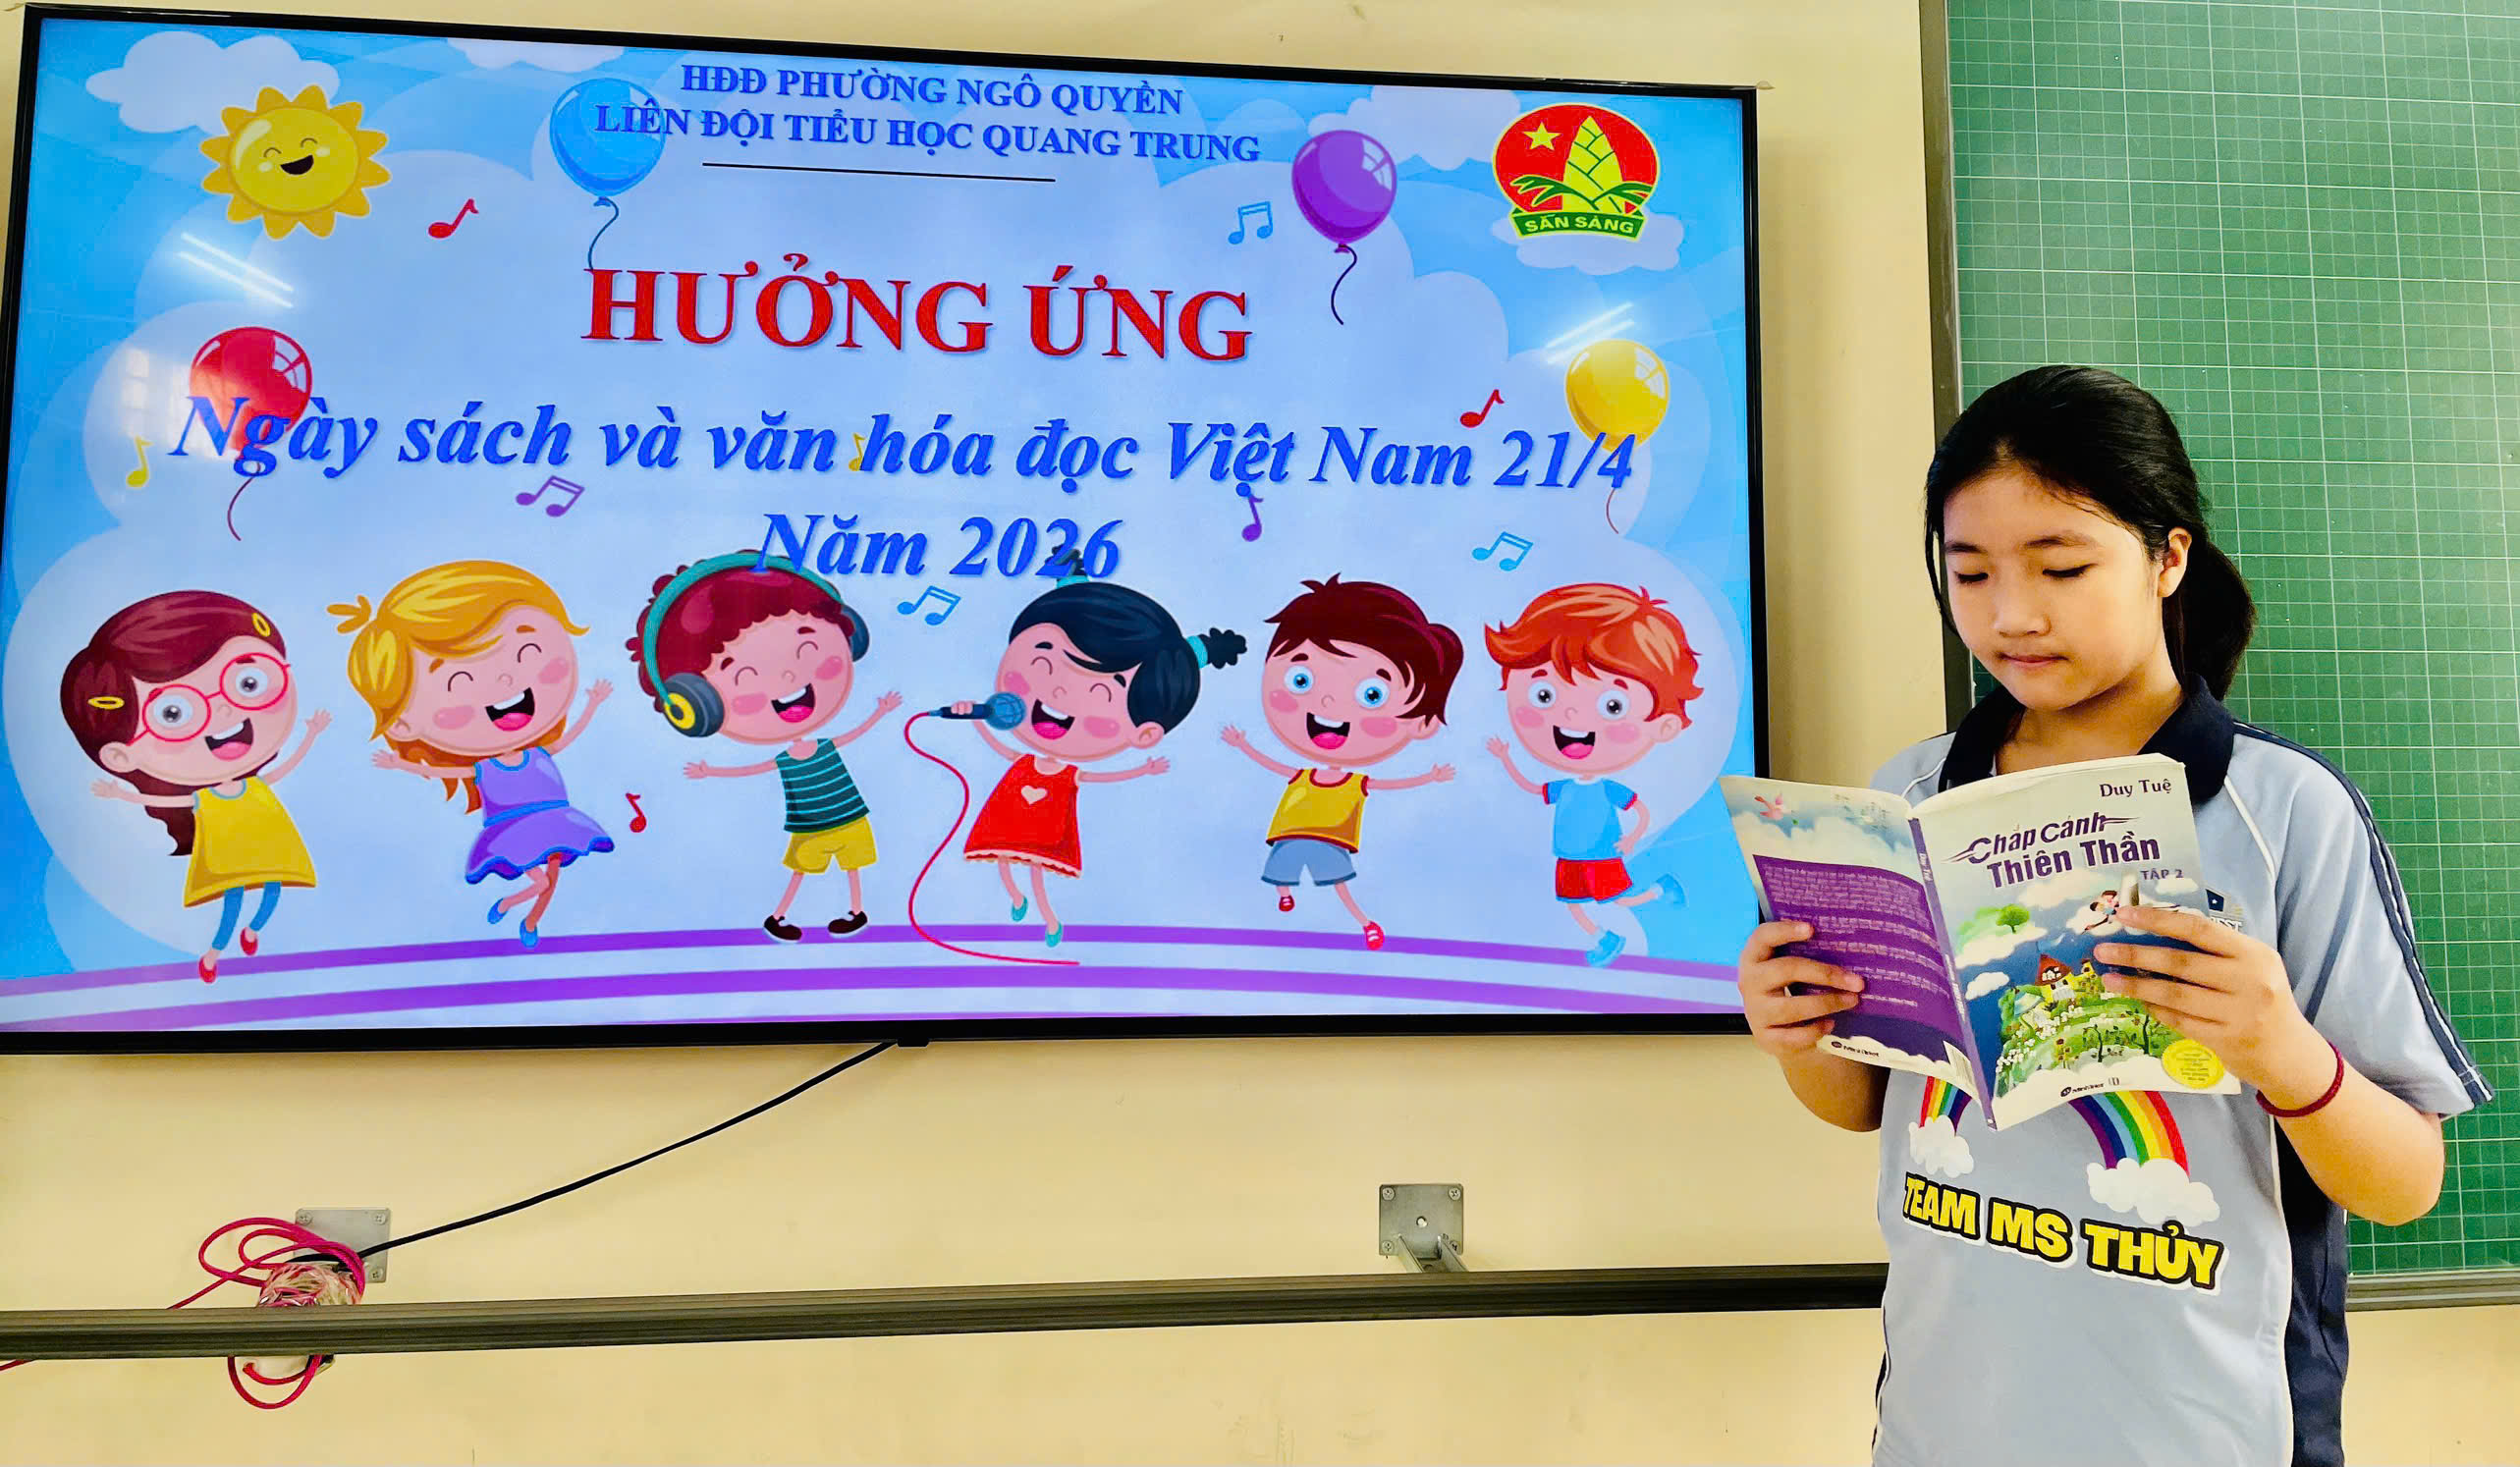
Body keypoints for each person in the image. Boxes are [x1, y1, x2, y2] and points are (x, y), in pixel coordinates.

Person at [1736, 365, 2493, 1467]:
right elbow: (1860, 1105)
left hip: (2210, 1430)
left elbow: (2405, 1185)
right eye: (1970, 572)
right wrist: (1799, 1029)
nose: (2011, 614)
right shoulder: (1908, 797)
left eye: (2062, 567)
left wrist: (2280, 1049)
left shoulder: (2283, 810)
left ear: (2166, 557)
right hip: (1945, 1426)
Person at [956, 570, 1243, 947]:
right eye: (1042, 663)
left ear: (1144, 733)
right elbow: (1001, 748)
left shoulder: (1068, 773)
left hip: (1041, 830)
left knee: (1037, 873)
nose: (1058, 691)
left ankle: (1050, 921)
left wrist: (1142, 770)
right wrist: (975, 719)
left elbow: (1099, 778)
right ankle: (1016, 898)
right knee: (1004, 862)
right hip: (1007, 820)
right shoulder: (1023, 760)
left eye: (1098, 692)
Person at [334, 561, 613, 950]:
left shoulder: (537, 753)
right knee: (542, 881)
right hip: (513, 828)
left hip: (555, 818)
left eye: (528, 651)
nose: (505, 680)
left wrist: (593, 705)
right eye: (459, 681)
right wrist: (400, 764)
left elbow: (567, 739)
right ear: (403, 723)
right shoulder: (485, 767)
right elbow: (446, 773)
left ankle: (529, 919)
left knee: (550, 880)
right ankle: (514, 905)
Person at [627, 553, 899, 942]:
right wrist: (710, 771)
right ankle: (779, 917)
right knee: (801, 871)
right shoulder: (786, 759)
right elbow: (753, 770)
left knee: (852, 867)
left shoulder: (824, 745)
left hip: (850, 818)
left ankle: (856, 912)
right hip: (811, 827)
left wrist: (880, 713)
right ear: (696, 707)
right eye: (745, 675)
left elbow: (853, 735)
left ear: (849, 635)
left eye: (808, 649)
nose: (788, 675)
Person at [64, 591, 329, 982]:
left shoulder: (254, 786)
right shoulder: (202, 797)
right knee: (231, 904)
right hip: (229, 859)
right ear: (122, 755)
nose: (224, 710)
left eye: (249, 682)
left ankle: (253, 931)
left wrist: (311, 735)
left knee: (273, 890)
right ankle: (213, 953)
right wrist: (120, 795)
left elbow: (287, 766)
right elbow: (161, 799)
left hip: (272, 849)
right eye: (172, 712)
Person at [1220, 574, 1461, 951]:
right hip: (1289, 834)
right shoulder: (1303, 774)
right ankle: (1286, 897)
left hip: (1331, 840)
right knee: (1278, 874)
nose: (1328, 704)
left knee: (1339, 886)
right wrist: (1243, 746)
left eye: (1372, 694)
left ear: (1422, 722)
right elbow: (1270, 764)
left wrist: (1428, 777)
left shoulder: (1354, 782)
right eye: (1300, 679)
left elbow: (1389, 785)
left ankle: (1367, 924)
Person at [1482, 582, 1697, 965]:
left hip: (1601, 853)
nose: (1570, 715)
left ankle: (1660, 891)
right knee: (1573, 904)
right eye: (1544, 695)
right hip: (1569, 855)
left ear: (1663, 724)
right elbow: (1531, 787)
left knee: (1616, 899)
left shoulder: (1608, 787)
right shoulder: (1563, 786)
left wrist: (1632, 838)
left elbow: (1640, 810)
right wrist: (1504, 758)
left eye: (1613, 705)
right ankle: (1605, 938)